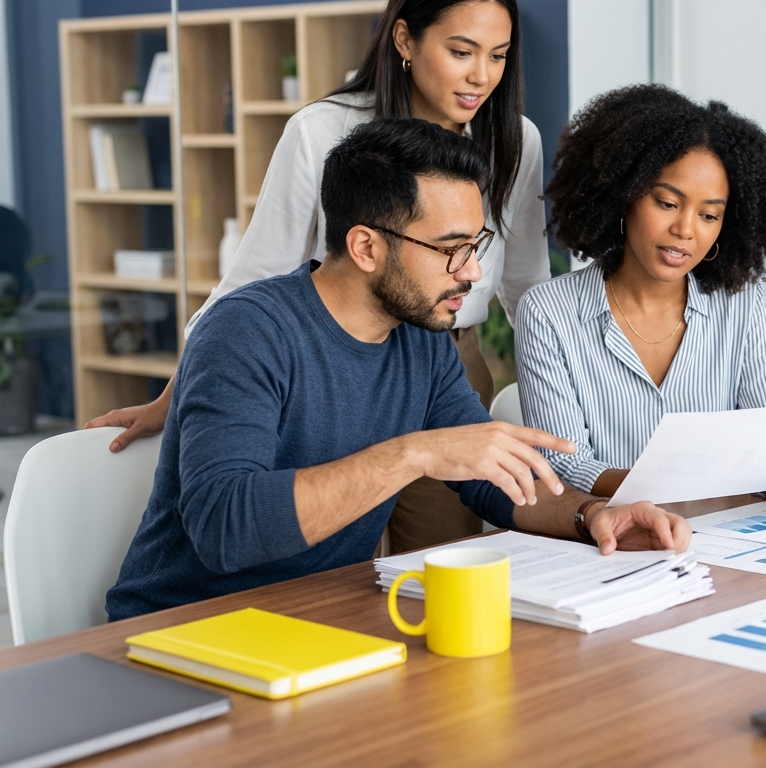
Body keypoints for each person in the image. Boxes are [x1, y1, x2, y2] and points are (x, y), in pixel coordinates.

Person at [105, 118, 689, 622]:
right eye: (450, 249)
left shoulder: (420, 336)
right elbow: (226, 528)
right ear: (365, 248)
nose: (473, 273)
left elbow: (488, 477)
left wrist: (594, 516)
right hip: (182, 633)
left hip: (322, 620)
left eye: (477, 244)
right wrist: (414, 453)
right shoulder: (247, 333)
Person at [88, 0, 548, 553]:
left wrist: (555, 419)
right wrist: (181, 393)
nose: (482, 76)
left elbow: (528, 288)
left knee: (438, 567)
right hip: (324, 368)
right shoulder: (323, 129)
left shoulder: (515, 140)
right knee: (315, 554)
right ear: (405, 40)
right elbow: (253, 277)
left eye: (498, 56)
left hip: (443, 359)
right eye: (460, 51)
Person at [514, 85, 766, 517]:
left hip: (725, 542)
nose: (686, 229)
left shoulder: (740, 303)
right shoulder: (548, 312)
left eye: (709, 215)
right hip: (610, 542)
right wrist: (673, 488)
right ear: (624, 194)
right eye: (667, 202)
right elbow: (563, 464)